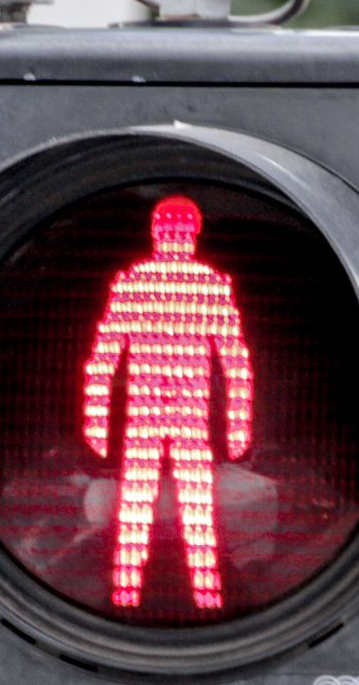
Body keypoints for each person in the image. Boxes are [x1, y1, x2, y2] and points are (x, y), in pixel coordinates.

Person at [81, 194, 256, 612]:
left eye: (180, 231)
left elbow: (235, 361)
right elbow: (104, 358)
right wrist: (97, 421)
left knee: (170, 511)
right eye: (171, 230)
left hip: (169, 416)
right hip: (170, 415)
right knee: (157, 510)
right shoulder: (192, 284)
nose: (175, 238)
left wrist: (237, 425)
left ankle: (161, 595)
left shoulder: (147, 283)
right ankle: (166, 595)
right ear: (161, 232)